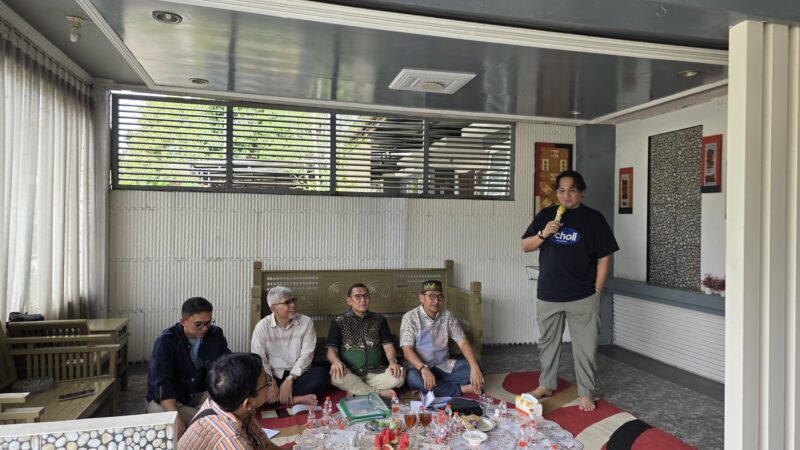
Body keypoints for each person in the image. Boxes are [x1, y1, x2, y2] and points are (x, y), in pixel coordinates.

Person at [521, 170, 619, 412]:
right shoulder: (546, 214)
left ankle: (586, 391)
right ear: (556, 193)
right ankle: (545, 384)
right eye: (561, 190)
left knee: (585, 347)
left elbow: (605, 258)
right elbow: (525, 246)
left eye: (572, 190)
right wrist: (544, 233)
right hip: (549, 293)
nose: (566, 195)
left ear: (581, 192)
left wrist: (597, 290)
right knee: (547, 343)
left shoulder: (594, 219)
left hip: (583, 295)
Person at [146, 297, 231, 438]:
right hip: (171, 399)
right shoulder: (166, 341)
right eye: (199, 324)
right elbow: (161, 383)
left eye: (208, 323)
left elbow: (226, 363)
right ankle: (203, 421)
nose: (205, 328)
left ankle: (202, 420)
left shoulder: (215, 334)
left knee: (229, 405)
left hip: (200, 393)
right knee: (163, 417)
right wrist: (175, 416)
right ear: (183, 321)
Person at [178, 352, 281, 450]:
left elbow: (265, 446)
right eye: (267, 382)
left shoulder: (230, 405)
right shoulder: (231, 440)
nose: (269, 381)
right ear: (248, 403)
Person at [400, 280, 484, 397]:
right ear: (421, 298)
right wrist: (423, 369)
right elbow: (407, 351)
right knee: (415, 380)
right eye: (432, 296)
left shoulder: (448, 316)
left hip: (443, 365)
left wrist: (474, 366)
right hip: (418, 367)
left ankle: (433, 387)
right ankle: (461, 389)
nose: (436, 301)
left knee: (477, 366)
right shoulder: (410, 317)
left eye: (440, 297)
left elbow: (462, 341)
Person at [251, 286, 329, 406]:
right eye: (287, 302)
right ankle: (296, 399)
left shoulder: (306, 322)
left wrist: (289, 380)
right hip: (271, 375)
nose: (293, 305)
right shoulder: (262, 326)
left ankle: (277, 399)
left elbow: (307, 355)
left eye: (293, 300)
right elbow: (259, 357)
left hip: (297, 376)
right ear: (273, 308)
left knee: (321, 375)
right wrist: (271, 382)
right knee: (248, 386)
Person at [326, 283, 404, 398]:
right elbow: (331, 349)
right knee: (336, 377)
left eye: (366, 296)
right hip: (350, 372)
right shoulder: (339, 321)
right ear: (349, 300)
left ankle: (358, 390)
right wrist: (335, 362)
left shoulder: (379, 320)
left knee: (400, 376)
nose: (363, 300)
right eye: (358, 296)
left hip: (376, 372)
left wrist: (392, 361)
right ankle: (378, 393)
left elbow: (388, 345)